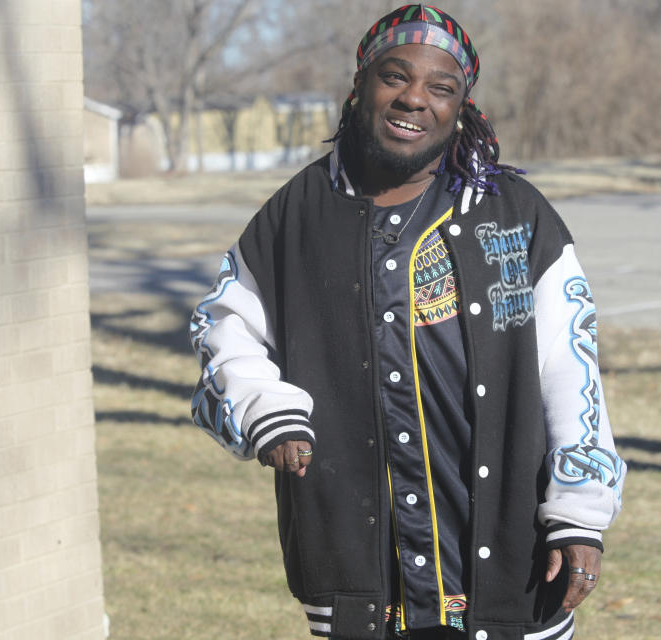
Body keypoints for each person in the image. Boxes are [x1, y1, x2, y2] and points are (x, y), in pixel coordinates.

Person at [189, 5, 626, 640]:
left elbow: (571, 366)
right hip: (356, 559)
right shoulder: (297, 215)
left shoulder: (516, 214)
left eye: (440, 87)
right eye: (395, 76)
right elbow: (223, 329)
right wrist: (267, 410)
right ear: (359, 86)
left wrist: (578, 514)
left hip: (510, 555)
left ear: (462, 107)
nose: (414, 98)